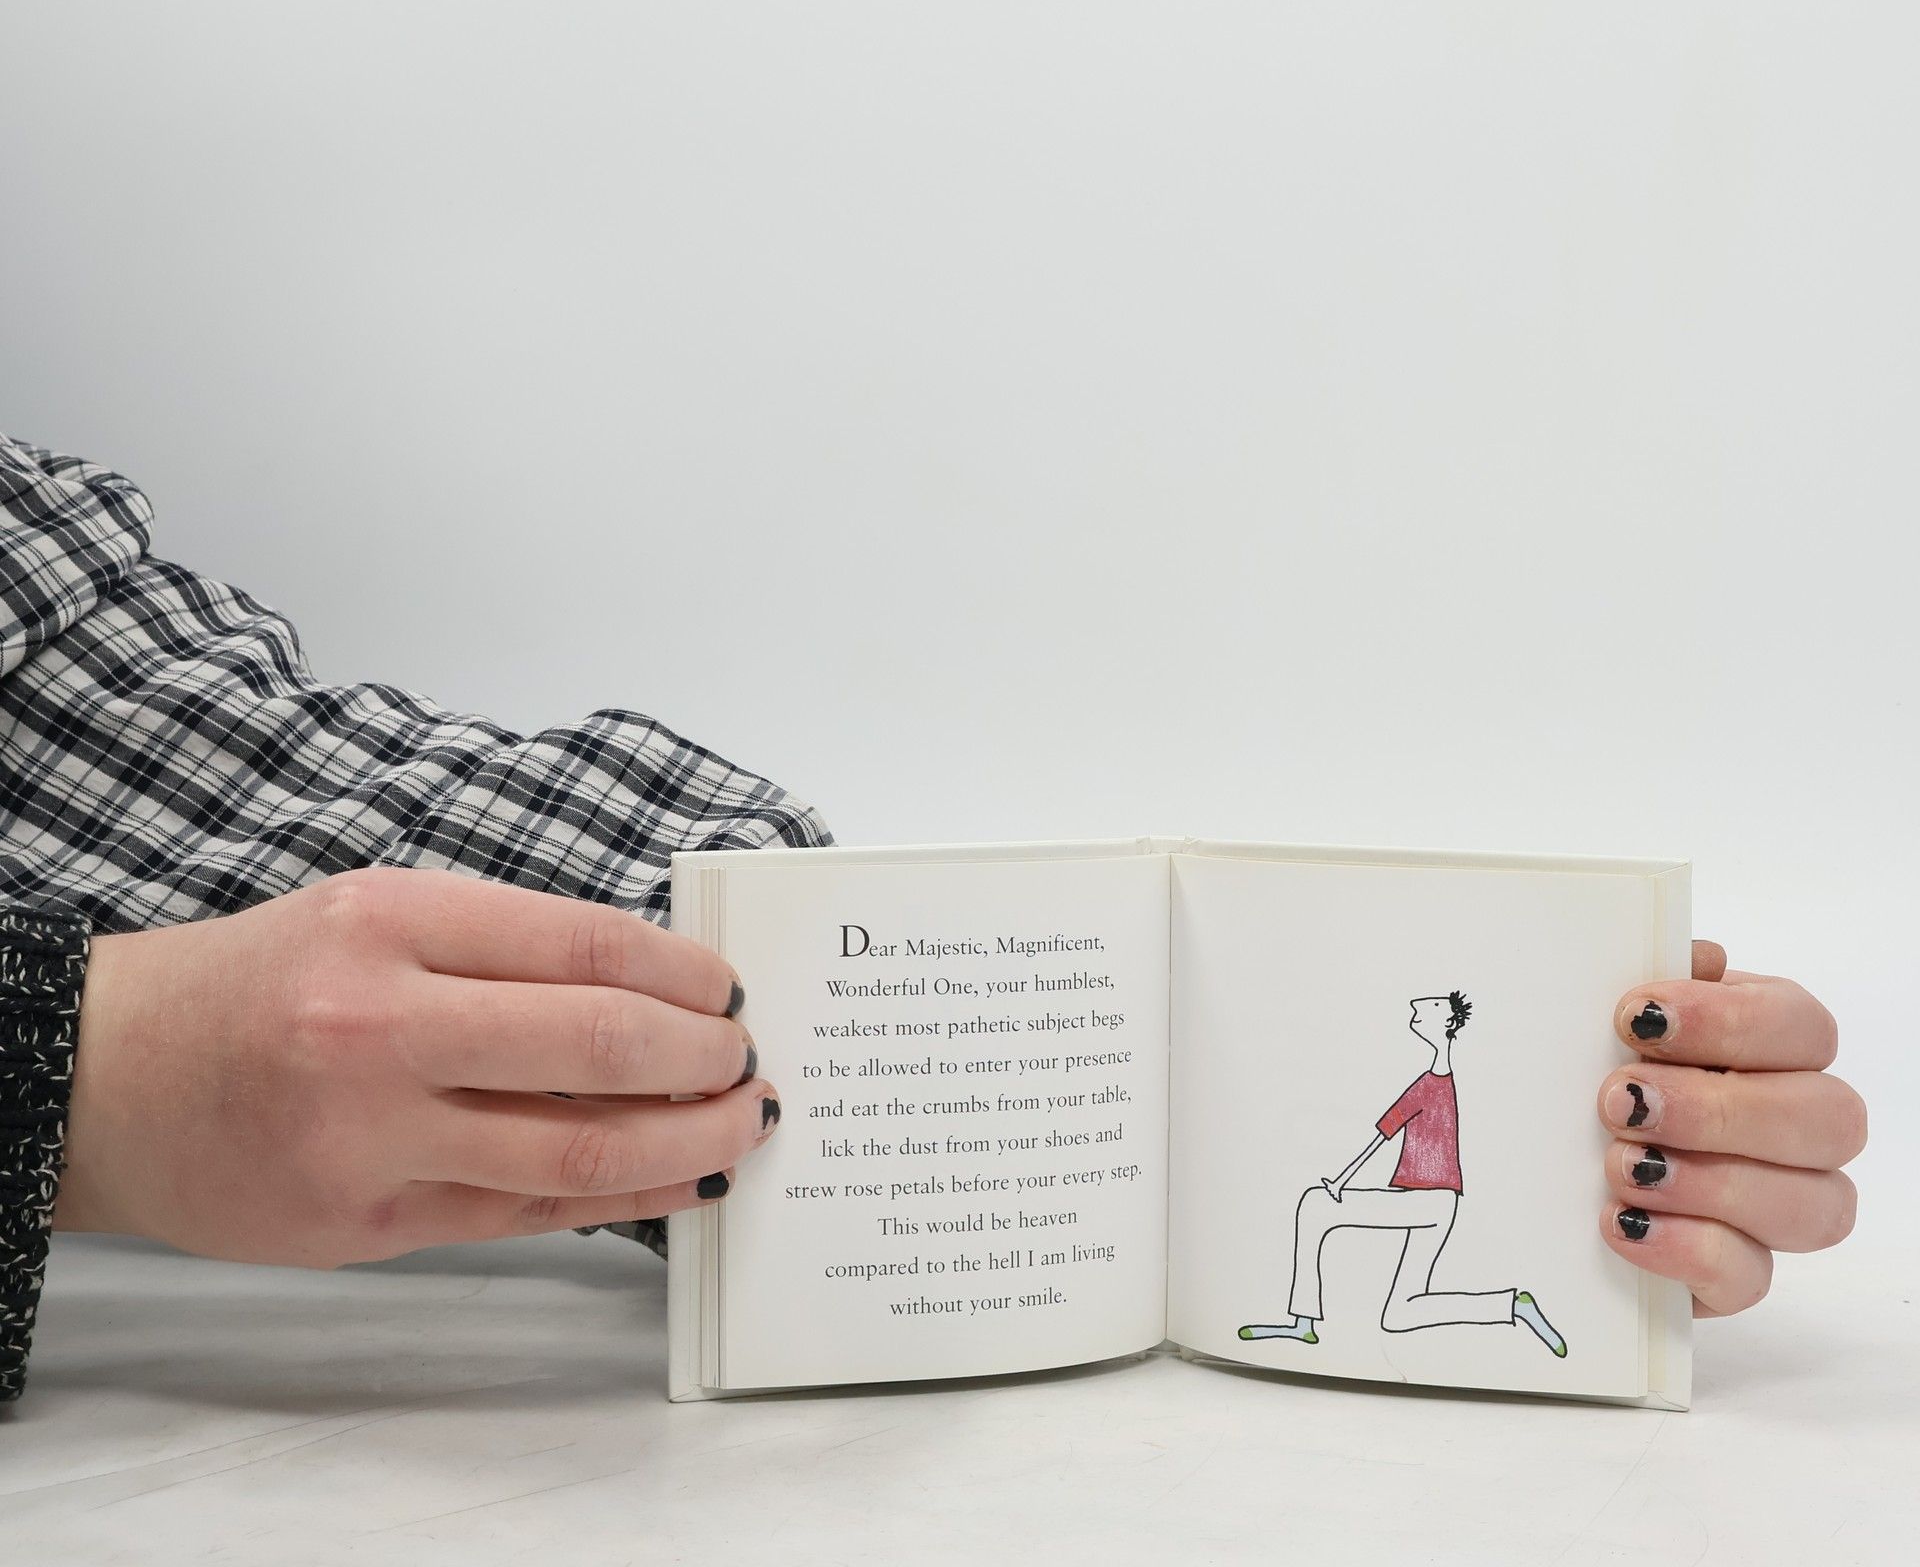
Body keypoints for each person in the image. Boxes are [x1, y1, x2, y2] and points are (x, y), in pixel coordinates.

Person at [0, 435, 1867, 1404]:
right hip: (1414, 1192)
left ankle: (1487, 1289)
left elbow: (167, 746)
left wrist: (896, 1004)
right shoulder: (1429, 1085)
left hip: (1409, 1192)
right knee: (1335, 1224)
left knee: (1327, 1221)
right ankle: (1460, 1289)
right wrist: (76, 1079)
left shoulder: (1439, 1080)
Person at [1239, 992, 1568, 1355]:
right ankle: (1511, 1306)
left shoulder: (1431, 1085)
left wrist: (1342, 1181)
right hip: (1438, 1205)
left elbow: (1384, 1132)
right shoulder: (1439, 1082)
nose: (1419, 1007)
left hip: (1426, 1202)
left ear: (1448, 1023)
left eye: (1435, 1006)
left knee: (1315, 1205)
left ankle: (1303, 1324)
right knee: (1399, 1314)